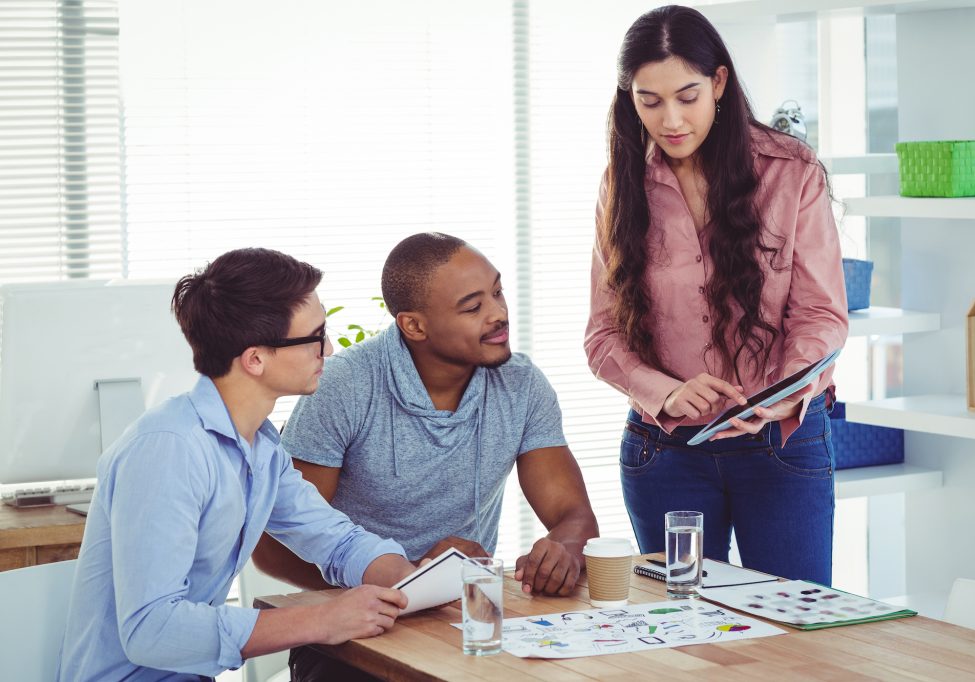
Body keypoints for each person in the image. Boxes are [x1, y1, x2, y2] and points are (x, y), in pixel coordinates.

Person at [57, 248, 418, 681]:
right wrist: (322, 619)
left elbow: (335, 540)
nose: (330, 348)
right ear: (255, 359)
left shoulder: (260, 446)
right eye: (315, 337)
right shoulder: (169, 449)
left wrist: (410, 580)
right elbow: (152, 630)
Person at [252, 232, 599, 679]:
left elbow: (574, 516)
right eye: (473, 307)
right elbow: (273, 551)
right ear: (414, 325)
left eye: (497, 292)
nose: (498, 314)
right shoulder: (345, 387)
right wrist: (410, 581)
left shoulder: (521, 386)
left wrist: (563, 549)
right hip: (352, 635)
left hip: (463, 621)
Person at [585, 5, 848, 586]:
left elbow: (823, 315)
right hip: (668, 454)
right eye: (649, 101)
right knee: (687, 643)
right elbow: (603, 338)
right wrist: (669, 392)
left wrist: (768, 395)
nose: (670, 119)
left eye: (688, 95)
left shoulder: (791, 171)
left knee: (794, 636)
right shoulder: (621, 184)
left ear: (719, 82)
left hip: (781, 444)